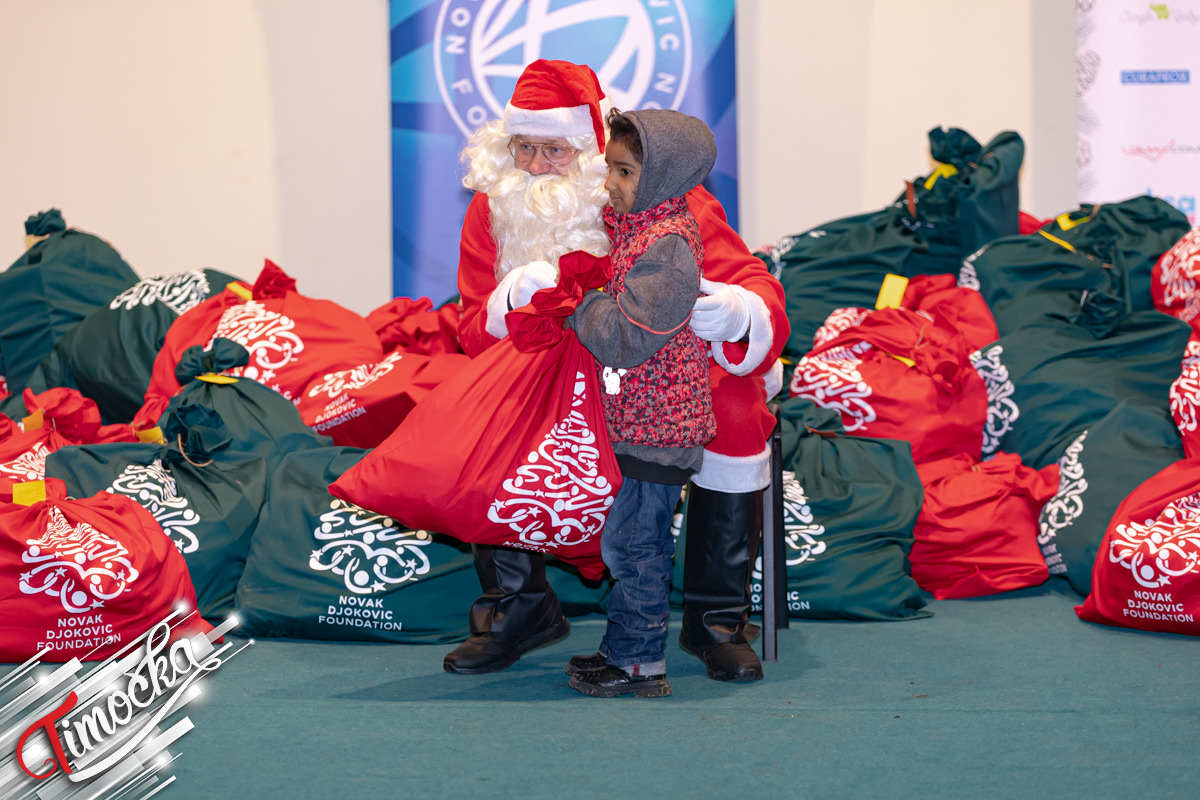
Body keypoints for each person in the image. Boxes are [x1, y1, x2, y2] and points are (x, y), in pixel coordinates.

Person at [447, 59, 789, 682]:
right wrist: (510, 302)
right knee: (480, 420)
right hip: (544, 373)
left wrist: (737, 313)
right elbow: (471, 329)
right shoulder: (491, 211)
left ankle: (715, 619)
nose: (533, 166)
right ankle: (517, 607)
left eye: (554, 149)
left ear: (593, 152)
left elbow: (752, 281)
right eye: (521, 148)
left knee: (737, 409)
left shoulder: (660, 189)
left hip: (654, 372)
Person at [563, 107, 717, 698]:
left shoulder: (669, 247)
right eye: (611, 169)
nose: (610, 183)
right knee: (624, 541)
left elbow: (627, 338)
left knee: (636, 546)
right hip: (637, 422)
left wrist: (582, 300)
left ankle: (642, 662)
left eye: (624, 172)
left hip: (661, 429)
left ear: (663, 178)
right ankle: (622, 647)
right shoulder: (640, 229)